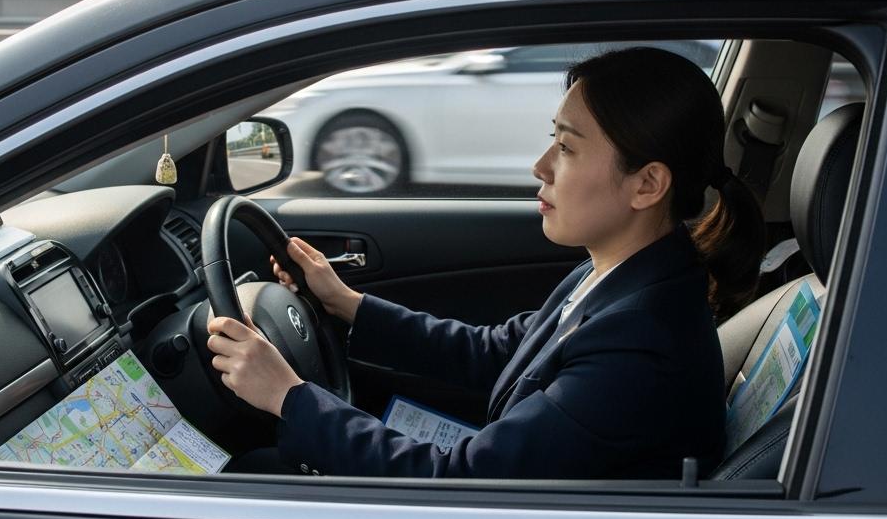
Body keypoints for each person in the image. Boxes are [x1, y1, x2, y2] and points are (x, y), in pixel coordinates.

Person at [205, 47, 765, 478]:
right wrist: (346, 304)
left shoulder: (643, 343)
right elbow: (497, 352)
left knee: (255, 472)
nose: (540, 167)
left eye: (567, 149)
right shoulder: (625, 274)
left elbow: (460, 480)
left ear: (647, 184)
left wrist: (287, 395)